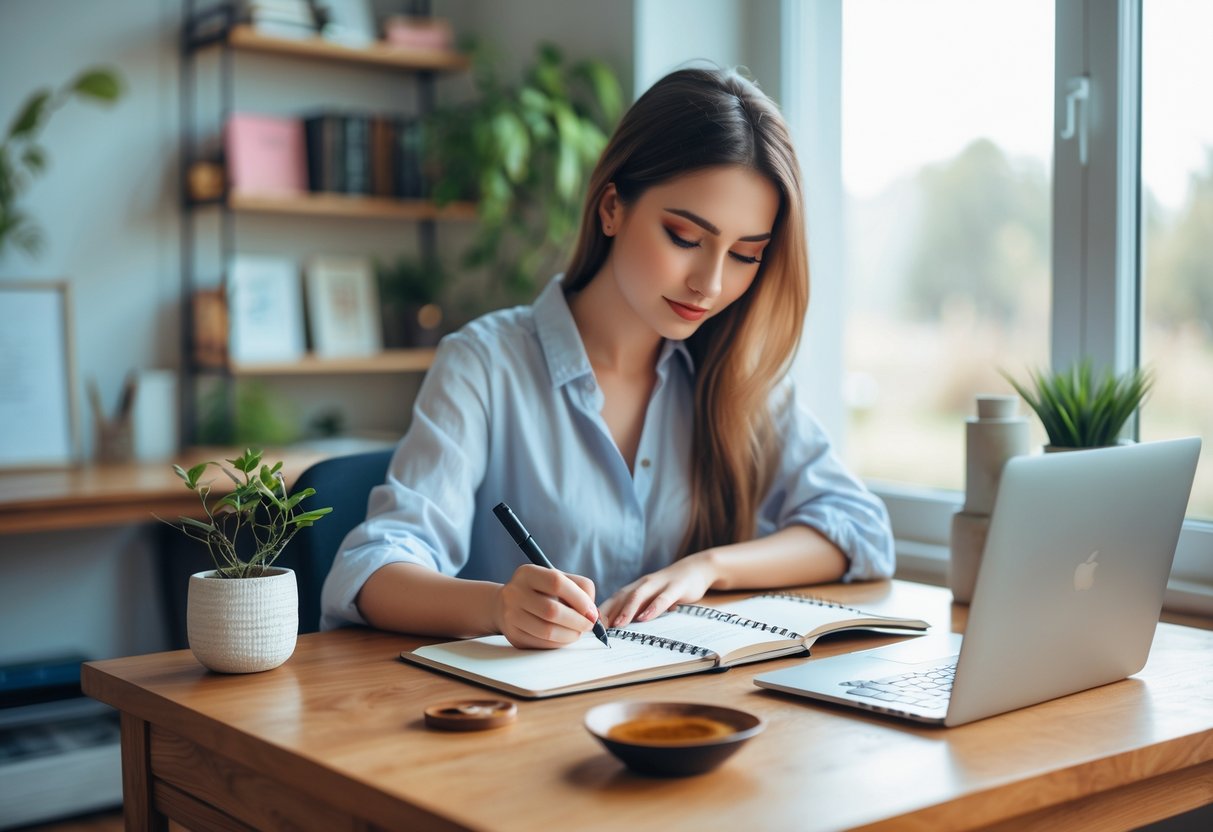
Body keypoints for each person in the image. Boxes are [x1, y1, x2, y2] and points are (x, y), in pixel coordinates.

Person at [320, 67, 895, 647]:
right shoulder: (484, 364)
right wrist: (499, 606)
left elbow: (859, 530)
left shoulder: (735, 376)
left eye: (745, 255)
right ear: (613, 207)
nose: (709, 284)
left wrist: (707, 568)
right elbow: (370, 569)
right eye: (685, 238)